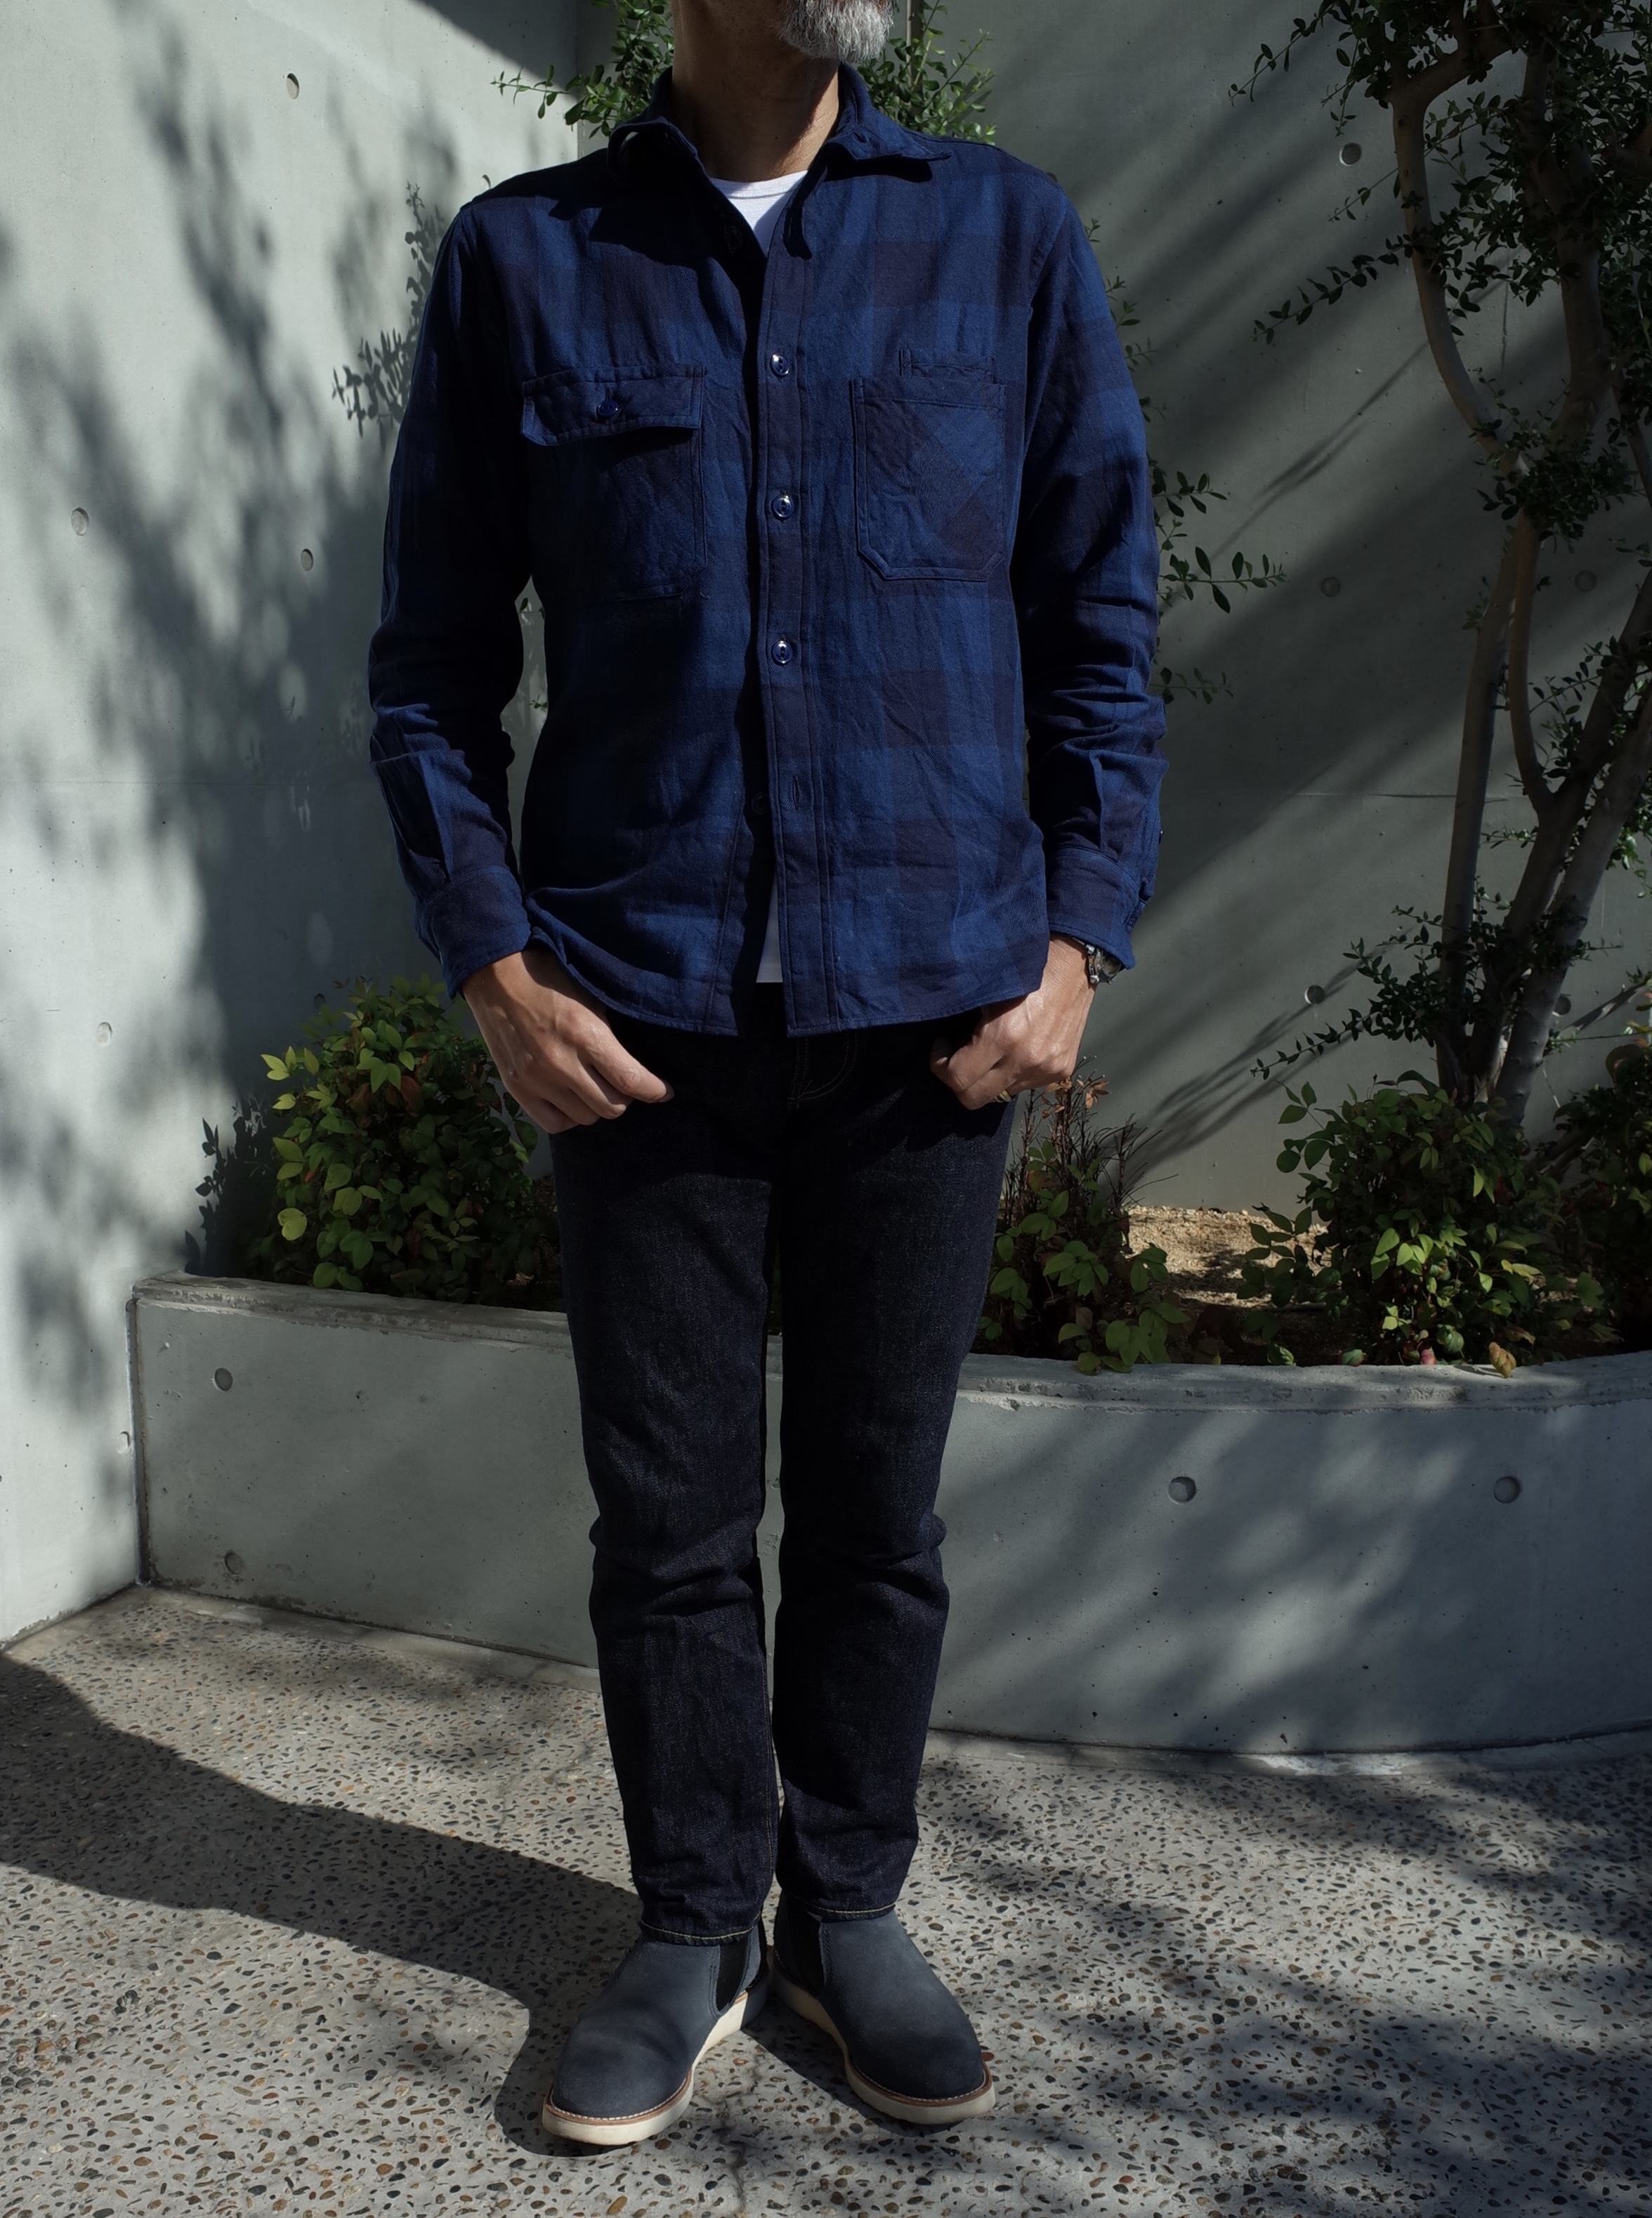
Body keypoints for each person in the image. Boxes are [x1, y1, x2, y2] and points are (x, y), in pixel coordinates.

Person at [369, 0, 1165, 2148]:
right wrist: (494, 969)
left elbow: (1100, 626)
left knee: (880, 1516)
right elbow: (430, 674)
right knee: (670, 1526)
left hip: (932, 1024)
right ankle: (696, 1920)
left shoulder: (1005, 239)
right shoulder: (528, 261)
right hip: (643, 1023)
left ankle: (849, 1910)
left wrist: (1079, 943)